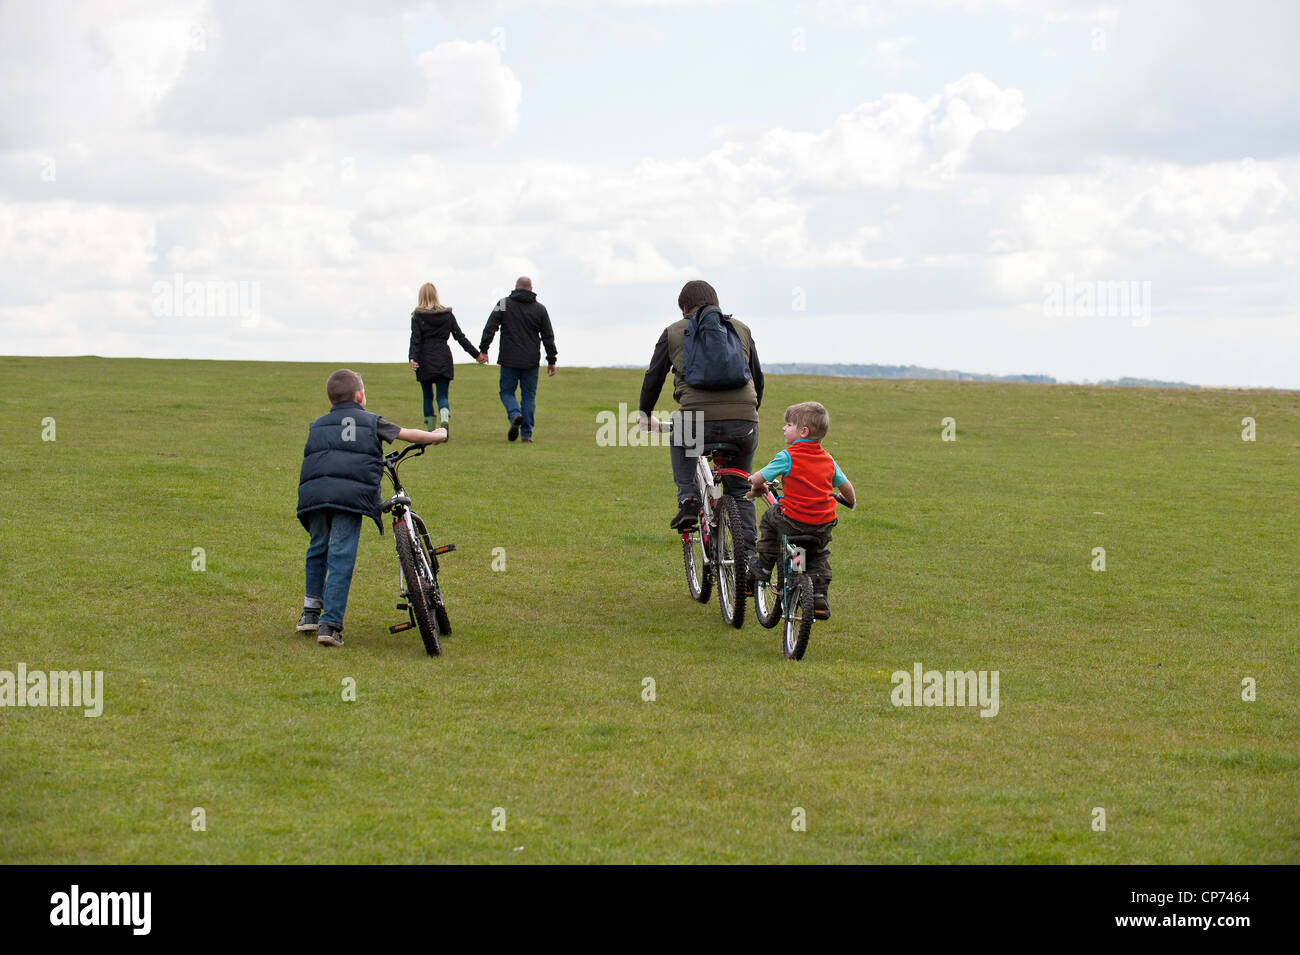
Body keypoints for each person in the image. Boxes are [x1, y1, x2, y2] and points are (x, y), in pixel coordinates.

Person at [295, 369, 446, 647]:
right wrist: (437, 435)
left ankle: (310, 614)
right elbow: (406, 434)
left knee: (317, 548)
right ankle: (330, 626)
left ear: (331, 401)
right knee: (341, 555)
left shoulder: (317, 425)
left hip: (315, 496)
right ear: (360, 396)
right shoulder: (369, 421)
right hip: (348, 499)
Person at [638, 279, 764, 553]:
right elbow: (758, 379)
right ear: (716, 303)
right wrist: (749, 415)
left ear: (684, 307)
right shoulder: (741, 329)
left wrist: (645, 414)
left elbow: (653, 378)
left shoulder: (673, 332)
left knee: (681, 436)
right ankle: (749, 560)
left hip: (695, 424)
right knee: (740, 490)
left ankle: (688, 500)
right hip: (744, 423)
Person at [747, 401, 855, 620]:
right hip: (822, 524)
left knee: (770, 519)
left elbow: (758, 478)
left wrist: (755, 485)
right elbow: (847, 488)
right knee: (816, 557)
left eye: (789, 424)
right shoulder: (829, 459)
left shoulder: (787, 456)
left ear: (803, 432)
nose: (783, 428)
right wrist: (849, 501)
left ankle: (763, 567)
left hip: (793, 520)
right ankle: (818, 597)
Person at [478, 276, 557, 443]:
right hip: (531, 361)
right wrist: (551, 360)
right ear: (531, 288)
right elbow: (548, 336)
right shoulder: (540, 309)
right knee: (528, 397)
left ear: (515, 287)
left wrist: (484, 349)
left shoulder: (503, 303)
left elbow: (490, 327)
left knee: (506, 392)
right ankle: (526, 434)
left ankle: (515, 414)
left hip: (509, 359)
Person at [408, 282, 486, 438]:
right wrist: (477, 355)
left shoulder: (418, 315)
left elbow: (415, 339)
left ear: (421, 296)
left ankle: (430, 432)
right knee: (442, 396)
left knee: (427, 396)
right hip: (443, 356)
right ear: (436, 295)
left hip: (425, 358)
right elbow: (460, 337)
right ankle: (444, 421)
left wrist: (413, 357)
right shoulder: (447, 315)